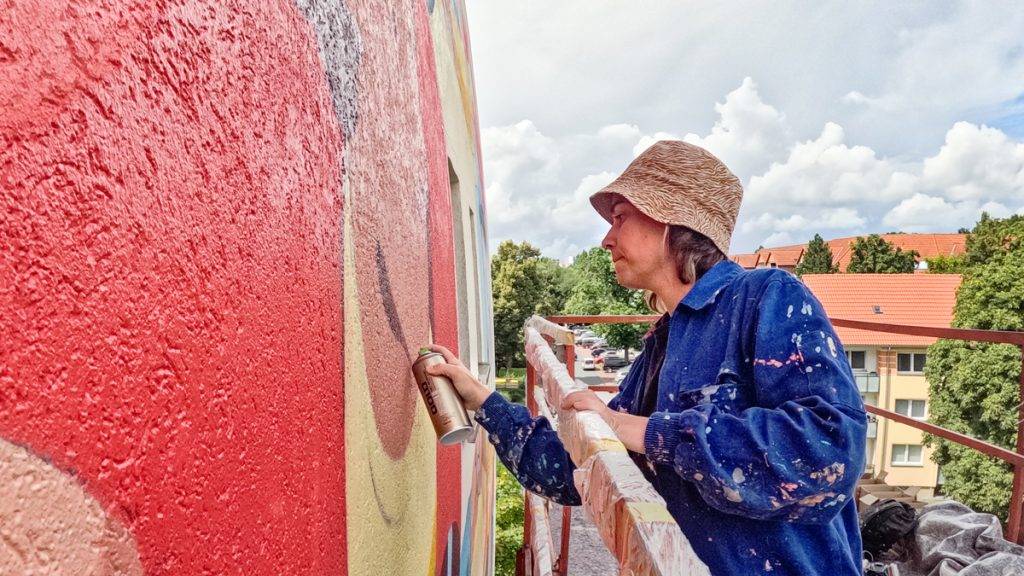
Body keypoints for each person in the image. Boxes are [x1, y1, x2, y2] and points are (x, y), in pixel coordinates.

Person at [427, 140, 866, 575]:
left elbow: (829, 454)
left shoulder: (768, 297)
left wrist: (646, 432)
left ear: (672, 222)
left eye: (620, 218)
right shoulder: (663, 341)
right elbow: (574, 469)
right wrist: (483, 401)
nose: (606, 238)